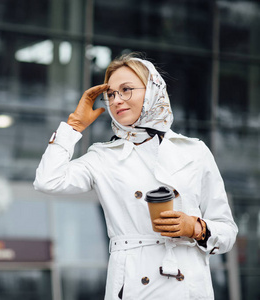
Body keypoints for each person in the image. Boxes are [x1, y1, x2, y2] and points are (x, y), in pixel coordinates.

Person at [33, 53, 238, 300]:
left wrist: (195, 227)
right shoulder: (103, 156)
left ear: (152, 90)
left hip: (189, 285)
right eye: (110, 94)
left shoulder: (194, 151)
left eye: (126, 90)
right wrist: (74, 125)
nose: (116, 100)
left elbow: (227, 230)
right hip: (132, 285)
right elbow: (47, 180)